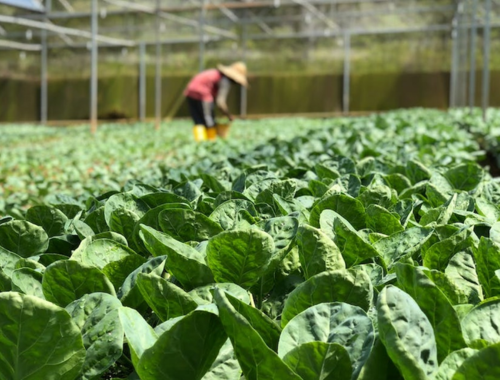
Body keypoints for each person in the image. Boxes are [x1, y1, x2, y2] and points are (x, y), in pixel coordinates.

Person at [184, 62, 248, 141]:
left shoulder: (216, 73)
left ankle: (200, 143)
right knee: (209, 119)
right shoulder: (225, 80)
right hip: (203, 93)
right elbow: (220, 102)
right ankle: (211, 142)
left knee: (198, 120)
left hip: (190, 92)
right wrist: (228, 115)